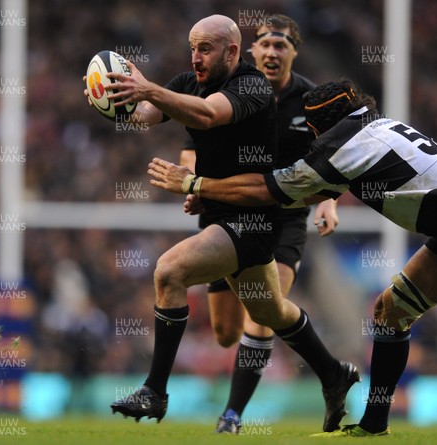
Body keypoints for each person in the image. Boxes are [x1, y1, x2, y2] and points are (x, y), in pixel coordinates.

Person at [148, 79, 437, 436]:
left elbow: (268, 190)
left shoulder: (339, 147)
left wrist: (197, 183)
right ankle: (374, 424)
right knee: (389, 311)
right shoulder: (373, 127)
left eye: (311, 126)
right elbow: (319, 188)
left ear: (319, 125)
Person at [85, 16, 359, 431]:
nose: (196, 57)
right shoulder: (187, 82)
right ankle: (334, 374)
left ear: (233, 51)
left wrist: (149, 89)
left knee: (169, 272)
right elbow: (145, 114)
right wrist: (115, 102)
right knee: (267, 314)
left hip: (256, 219)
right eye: (193, 47)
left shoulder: (251, 87)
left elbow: (209, 115)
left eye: (206, 48)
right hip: (220, 214)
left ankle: (157, 392)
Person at [179, 14, 339, 434]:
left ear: (293, 52)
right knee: (225, 332)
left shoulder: (312, 100)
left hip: (282, 218)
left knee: (263, 313)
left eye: (281, 45)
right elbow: (189, 150)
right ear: (250, 50)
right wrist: (198, 186)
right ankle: (333, 371)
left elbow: (335, 160)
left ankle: (231, 415)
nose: (272, 52)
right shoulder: (226, 88)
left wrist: (330, 202)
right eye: (265, 44)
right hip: (228, 211)